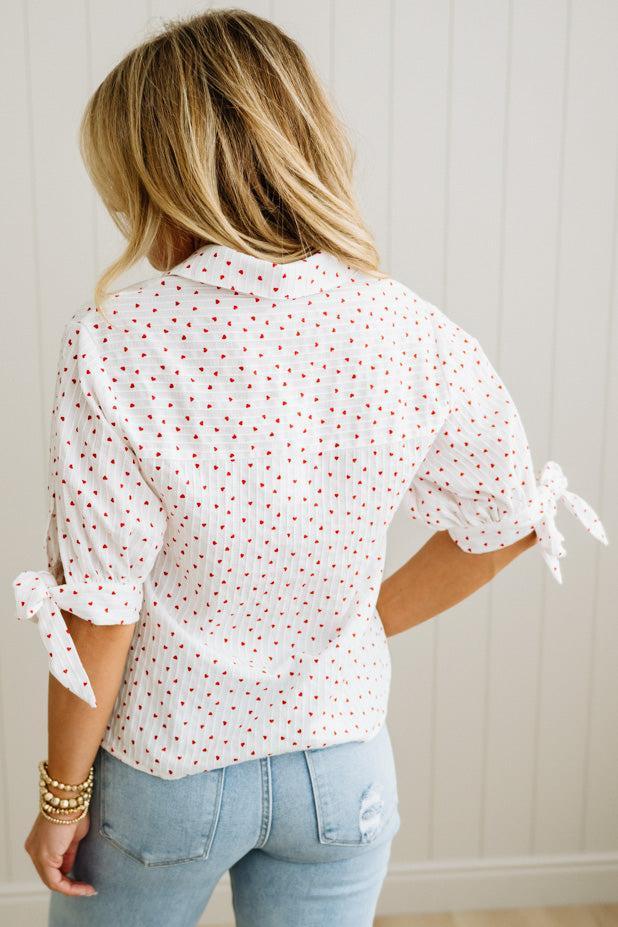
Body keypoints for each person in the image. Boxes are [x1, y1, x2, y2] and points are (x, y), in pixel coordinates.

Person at [13, 9, 608, 927]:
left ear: (158, 173)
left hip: (168, 774)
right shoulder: (404, 324)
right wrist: (353, 625)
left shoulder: (117, 341)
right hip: (342, 769)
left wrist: (60, 798)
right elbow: (507, 519)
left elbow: (99, 612)